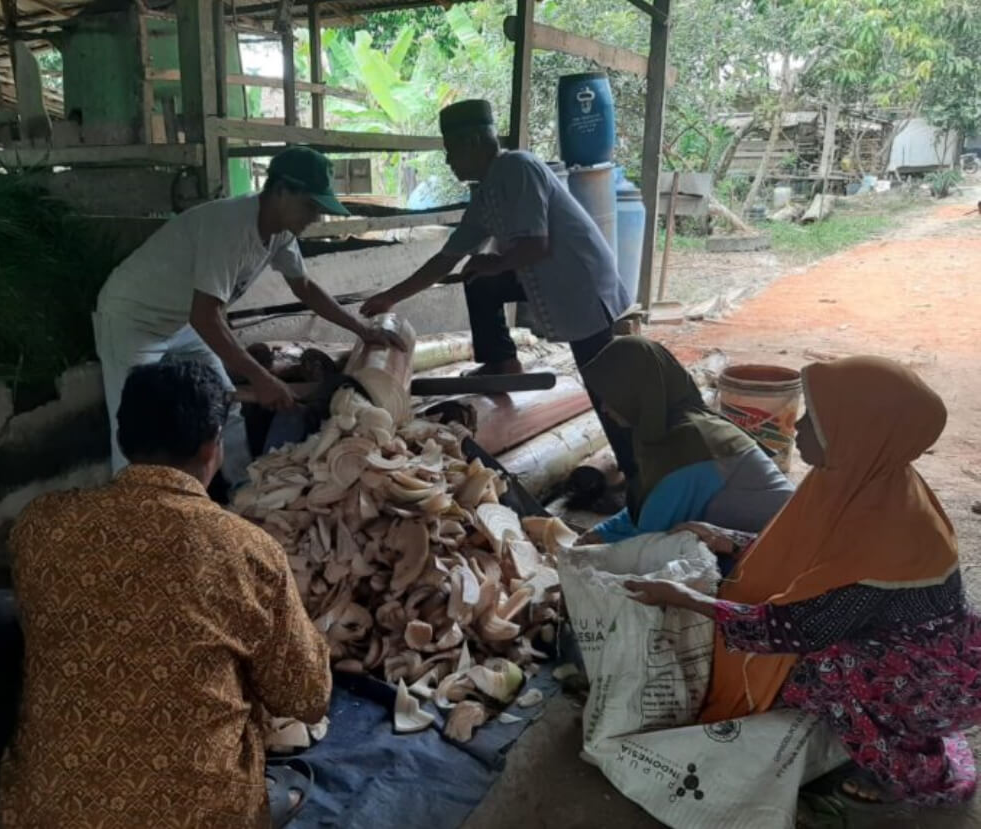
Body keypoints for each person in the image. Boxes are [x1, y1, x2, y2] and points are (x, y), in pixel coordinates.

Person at [0, 361, 331, 828]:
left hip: (47, 814)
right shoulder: (247, 550)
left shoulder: (41, 525)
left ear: (123, 439)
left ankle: (16, 784)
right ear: (212, 445)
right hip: (201, 817)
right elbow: (307, 698)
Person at [627, 356, 981, 807]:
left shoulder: (890, 534)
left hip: (931, 683)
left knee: (822, 667)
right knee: (810, 656)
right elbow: (802, 553)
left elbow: (788, 629)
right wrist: (727, 539)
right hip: (911, 651)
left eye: (816, 419)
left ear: (858, 432)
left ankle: (910, 766)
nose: (797, 427)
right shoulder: (863, 483)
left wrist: (687, 598)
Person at [359, 99, 637, 479]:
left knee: (606, 389)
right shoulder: (488, 190)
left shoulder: (517, 168)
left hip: (581, 285)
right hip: (551, 280)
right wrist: (391, 297)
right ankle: (501, 359)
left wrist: (491, 262)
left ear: (475, 141)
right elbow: (448, 257)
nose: (448, 162)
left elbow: (535, 245)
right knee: (479, 279)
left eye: (451, 151)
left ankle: (638, 475)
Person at [94, 146, 403, 482]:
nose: (315, 217)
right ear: (282, 191)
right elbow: (206, 316)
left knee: (224, 406)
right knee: (136, 425)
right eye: (310, 207)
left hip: (182, 320)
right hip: (133, 319)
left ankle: (243, 494)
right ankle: (126, 515)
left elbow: (305, 288)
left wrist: (361, 330)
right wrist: (260, 377)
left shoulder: (281, 231)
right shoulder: (230, 227)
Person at [577, 336, 793, 545]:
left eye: (612, 396)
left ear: (636, 391)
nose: (604, 408)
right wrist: (602, 532)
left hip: (778, 551)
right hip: (754, 543)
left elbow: (650, 542)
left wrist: (601, 543)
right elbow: (650, 503)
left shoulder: (688, 444)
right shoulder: (668, 428)